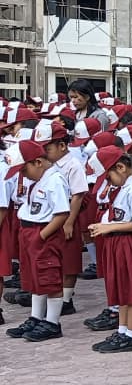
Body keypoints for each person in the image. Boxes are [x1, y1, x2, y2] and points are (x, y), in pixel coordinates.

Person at [86, 148, 132, 354]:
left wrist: (108, 227)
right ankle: (122, 330)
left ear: (121, 167)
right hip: (117, 242)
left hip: (130, 243)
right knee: (122, 289)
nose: (108, 181)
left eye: (109, 177)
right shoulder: (122, 188)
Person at [4, 138, 70, 342]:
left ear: (38, 162)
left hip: (44, 233)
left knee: (48, 277)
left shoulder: (54, 180)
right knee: (34, 278)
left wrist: (41, 236)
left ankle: (52, 322)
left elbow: (61, 213)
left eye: (24, 170)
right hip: (29, 230)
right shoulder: (37, 179)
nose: (23, 175)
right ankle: (36, 317)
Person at [37, 120, 88, 317]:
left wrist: (69, 222)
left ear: (62, 145)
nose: (44, 152)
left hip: (68, 214)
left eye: (48, 148)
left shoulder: (73, 164)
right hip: (51, 213)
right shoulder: (50, 165)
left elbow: (78, 195)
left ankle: (66, 300)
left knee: (69, 260)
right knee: (53, 257)